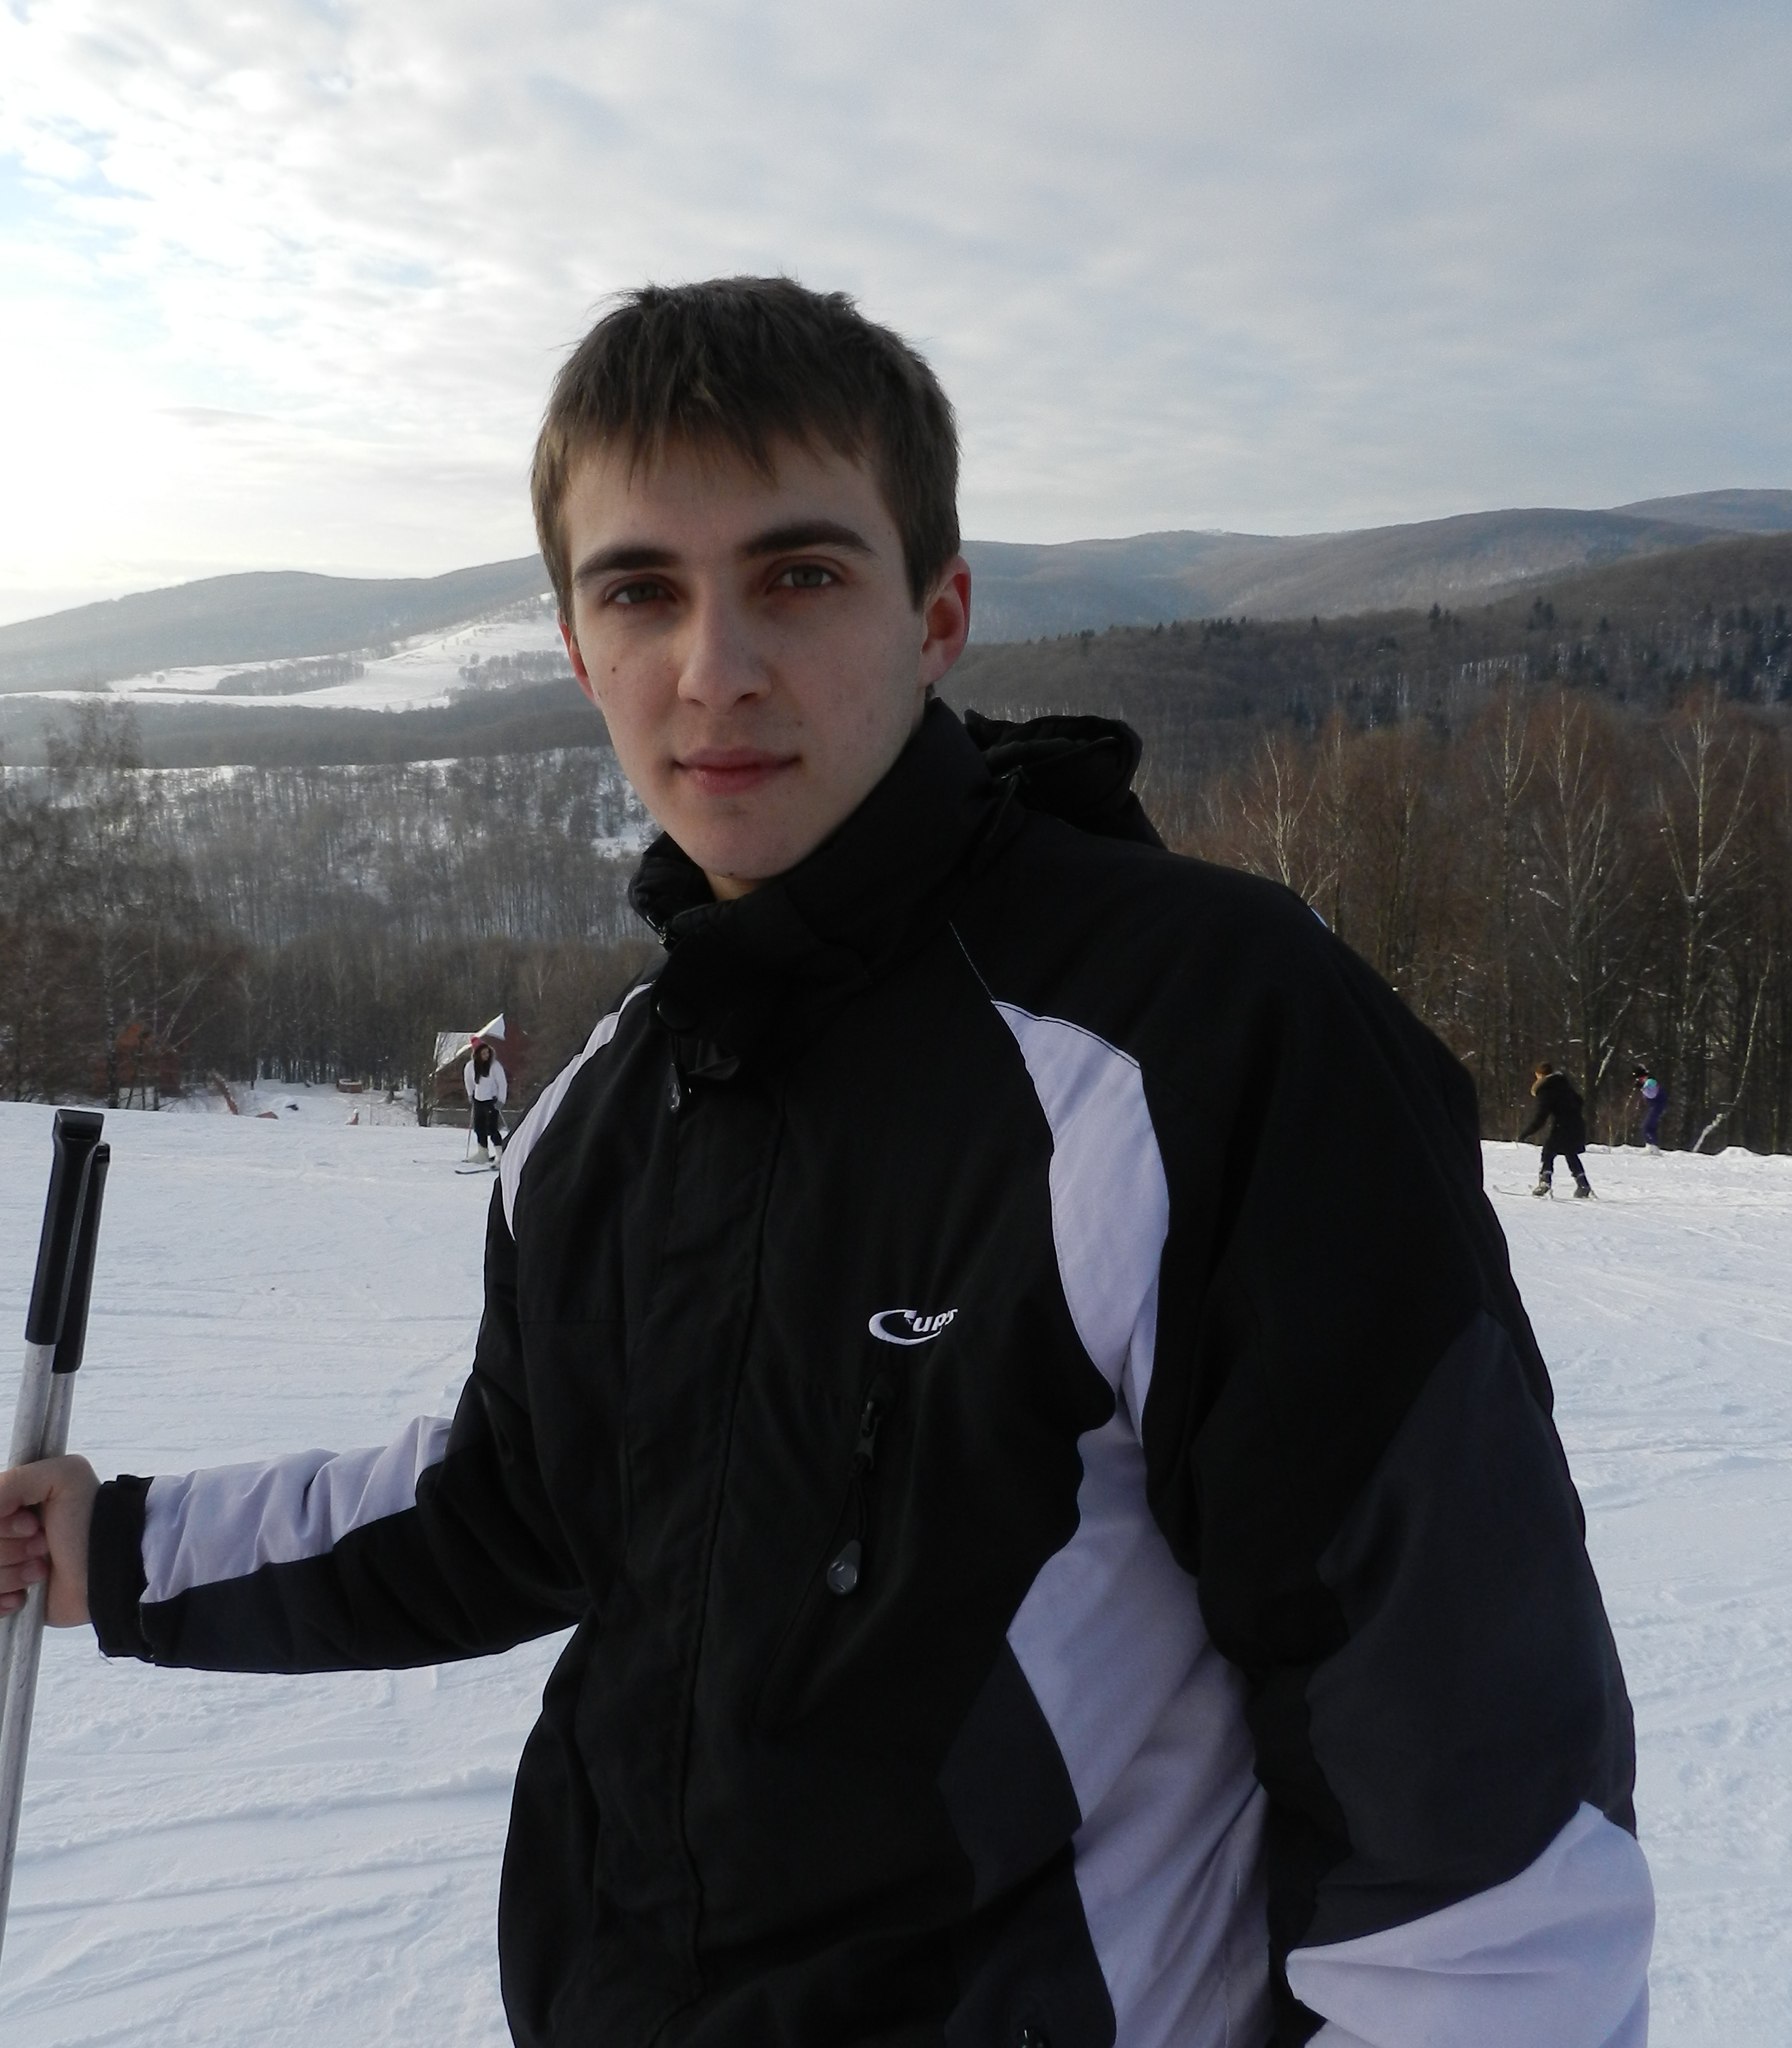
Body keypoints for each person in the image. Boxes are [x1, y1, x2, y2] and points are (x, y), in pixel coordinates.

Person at [1, 279, 1652, 2048]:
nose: (714, 667)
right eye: (641, 590)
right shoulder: (605, 1116)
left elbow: (1469, 1803)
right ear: (576, 645)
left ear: (936, 615)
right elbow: (512, 1507)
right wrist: (118, 1543)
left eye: (797, 575)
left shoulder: (1195, 1037)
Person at [1520, 1059, 1593, 1198]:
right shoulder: (1564, 1085)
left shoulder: (1546, 1089)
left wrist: (1527, 1132)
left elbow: (1541, 1115)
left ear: (1540, 1075)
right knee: (1570, 1153)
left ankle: (1545, 1182)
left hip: (1562, 1126)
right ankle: (1583, 1184)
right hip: (1577, 1124)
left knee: (1548, 1152)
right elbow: (1579, 1101)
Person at [463, 1034, 508, 1162]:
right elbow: (468, 1081)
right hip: (478, 1100)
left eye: (487, 1053)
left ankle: (500, 1155)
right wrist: (470, 1094)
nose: (486, 1056)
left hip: (491, 1101)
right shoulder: (470, 1066)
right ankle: (482, 1152)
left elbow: (502, 1083)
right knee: (479, 1127)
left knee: (492, 1128)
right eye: (483, 1053)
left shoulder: (495, 1066)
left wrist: (501, 1100)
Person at [1629, 1063, 1668, 1150]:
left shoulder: (1650, 1081)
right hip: (1656, 1106)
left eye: (1639, 1078)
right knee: (1649, 1126)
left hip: (1658, 1106)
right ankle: (1652, 1145)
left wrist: (1643, 1088)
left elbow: (1652, 1094)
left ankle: (1652, 1146)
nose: (1639, 1080)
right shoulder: (1648, 1082)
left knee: (1647, 1127)